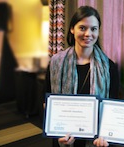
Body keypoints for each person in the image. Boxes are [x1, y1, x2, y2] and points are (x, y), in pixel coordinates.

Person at [44, 5, 119, 147]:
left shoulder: (109, 67)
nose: (88, 34)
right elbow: (46, 102)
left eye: (93, 29)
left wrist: (105, 135)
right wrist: (57, 132)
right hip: (63, 137)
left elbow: (112, 108)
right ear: (72, 29)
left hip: (96, 141)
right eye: (82, 28)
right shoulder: (55, 63)